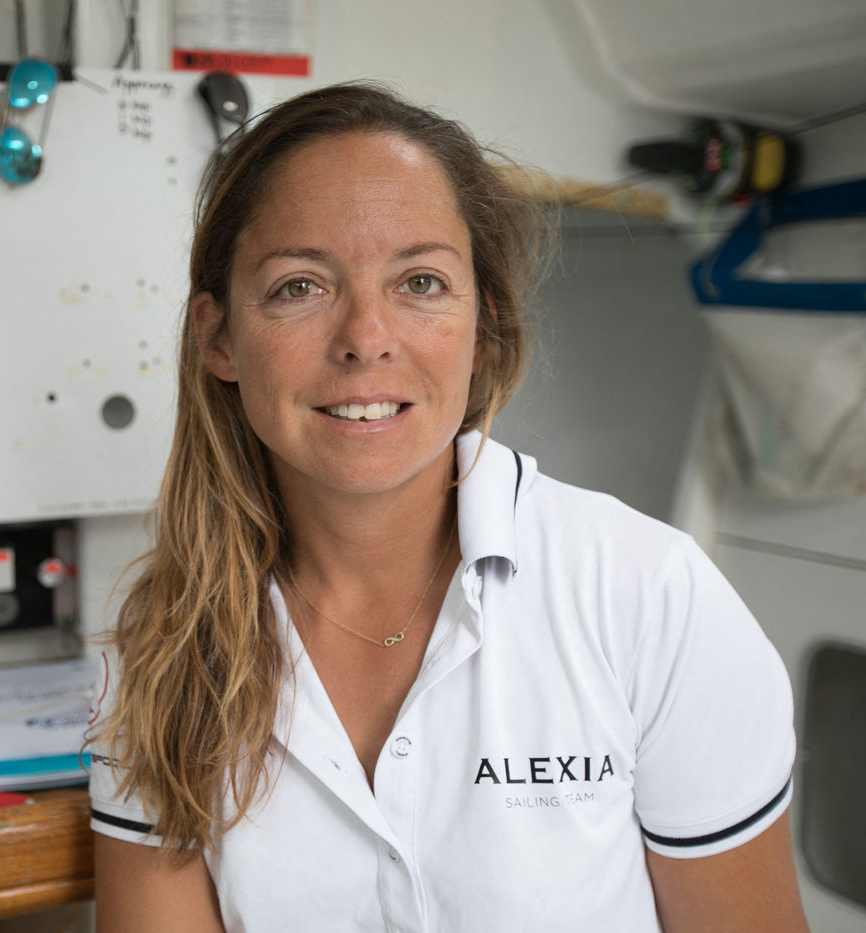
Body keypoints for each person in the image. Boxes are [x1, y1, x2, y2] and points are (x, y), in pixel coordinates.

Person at [86, 82, 808, 932]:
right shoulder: (162, 641)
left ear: (483, 328)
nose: (366, 338)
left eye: (420, 281)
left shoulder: (649, 596)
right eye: (299, 286)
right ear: (218, 338)